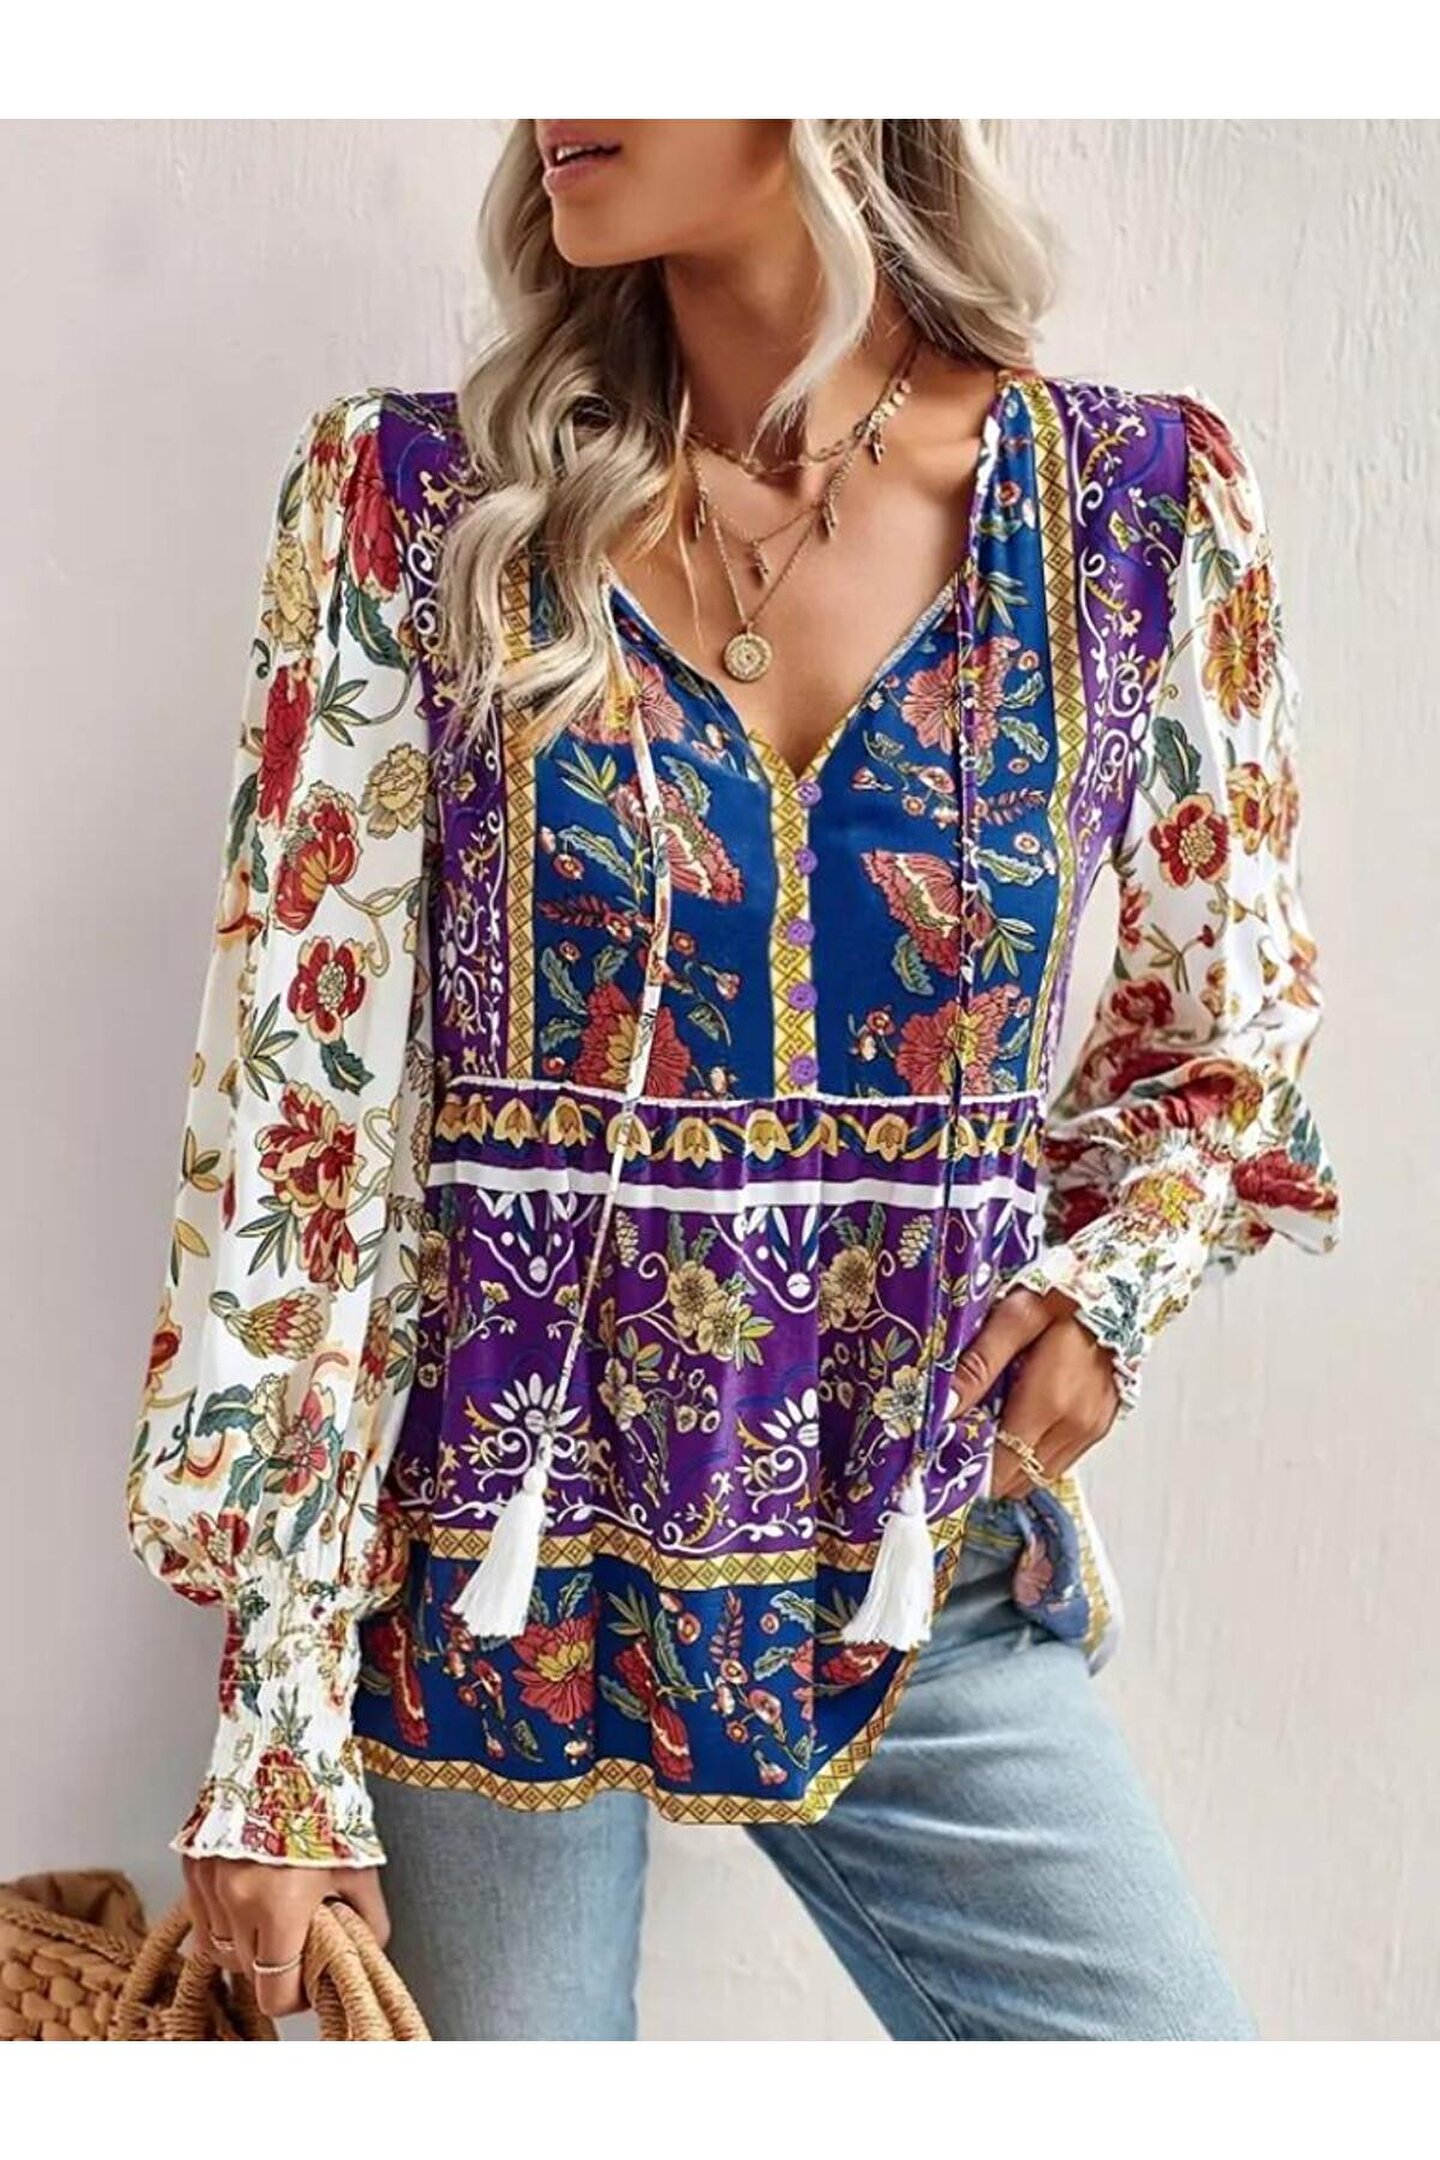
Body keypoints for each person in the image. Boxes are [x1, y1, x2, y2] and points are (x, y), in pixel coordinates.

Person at [126, 119, 1342, 2041]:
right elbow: (300, 1125)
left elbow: (1233, 1021)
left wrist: (1111, 1286)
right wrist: (274, 1725)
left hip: (912, 1554)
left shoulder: (1134, 511)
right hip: (492, 1575)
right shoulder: (417, 502)